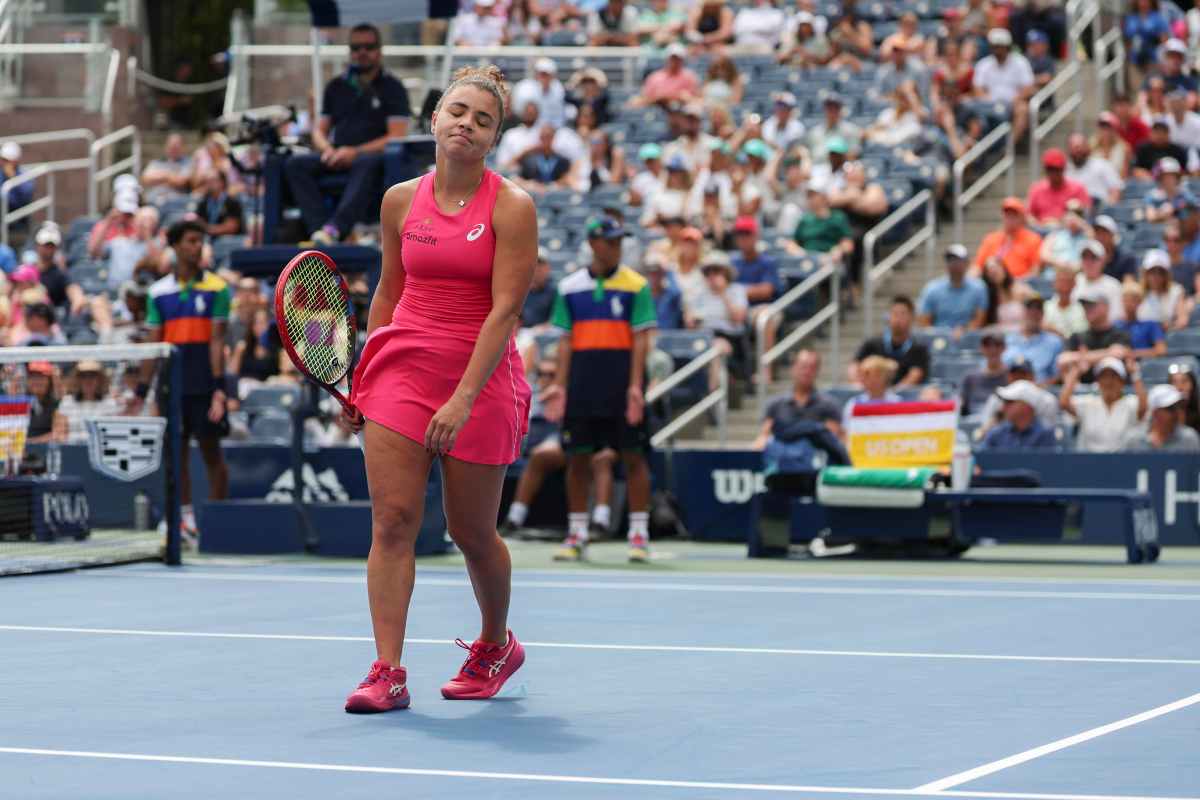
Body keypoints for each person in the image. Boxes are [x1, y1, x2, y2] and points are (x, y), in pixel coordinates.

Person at [341, 66, 536, 713]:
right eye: (457, 111)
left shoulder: (512, 207)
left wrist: (462, 398)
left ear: (494, 137)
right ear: (434, 118)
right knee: (393, 520)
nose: (466, 125)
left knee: (471, 532)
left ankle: (496, 644)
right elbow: (389, 292)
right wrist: (364, 374)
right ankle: (387, 671)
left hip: (480, 376)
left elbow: (505, 311)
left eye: (483, 120)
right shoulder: (399, 200)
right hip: (401, 368)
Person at [543, 216, 656, 564]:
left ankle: (638, 535)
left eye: (620, 241)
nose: (617, 247)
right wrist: (560, 385)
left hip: (622, 385)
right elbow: (565, 341)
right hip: (582, 385)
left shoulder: (637, 285)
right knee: (577, 458)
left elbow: (641, 339)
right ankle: (577, 534)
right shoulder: (569, 287)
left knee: (634, 457)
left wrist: (635, 386)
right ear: (593, 244)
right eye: (611, 241)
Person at [140, 219, 231, 547]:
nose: (197, 247)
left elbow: (217, 341)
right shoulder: (157, 293)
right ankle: (185, 520)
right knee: (176, 456)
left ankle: (217, 521)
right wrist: (143, 389)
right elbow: (154, 344)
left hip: (204, 385)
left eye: (200, 241)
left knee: (212, 454)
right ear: (176, 245)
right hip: (172, 386)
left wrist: (219, 389)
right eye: (191, 241)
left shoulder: (218, 288)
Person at [284, 23, 412, 244]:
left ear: (379, 50)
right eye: (355, 47)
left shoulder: (393, 88)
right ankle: (319, 231)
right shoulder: (336, 86)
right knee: (295, 164)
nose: (362, 52)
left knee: (366, 162)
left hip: (373, 158)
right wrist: (327, 149)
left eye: (368, 47)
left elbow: (396, 136)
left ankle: (336, 229)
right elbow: (319, 130)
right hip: (337, 154)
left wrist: (355, 152)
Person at [753, 349, 843, 449]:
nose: (807, 372)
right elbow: (764, 437)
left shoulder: (829, 405)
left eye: (812, 367)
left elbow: (833, 439)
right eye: (803, 366)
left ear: (817, 371)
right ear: (793, 368)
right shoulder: (775, 404)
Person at [1060, 355, 1147, 453]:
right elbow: (1064, 403)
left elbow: (1143, 409)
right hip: (1089, 459)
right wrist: (1076, 371)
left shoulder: (1131, 403)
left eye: (1113, 376)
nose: (1108, 381)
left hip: (1121, 460)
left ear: (1122, 381)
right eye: (1104, 377)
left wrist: (1135, 374)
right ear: (1098, 381)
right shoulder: (1088, 403)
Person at [850, 296, 929, 388]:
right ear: (888, 317)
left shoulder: (919, 348)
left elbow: (915, 375)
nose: (898, 319)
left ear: (911, 318)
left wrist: (892, 394)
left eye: (903, 314)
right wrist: (859, 384)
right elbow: (854, 365)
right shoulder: (872, 344)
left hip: (903, 395)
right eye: (895, 314)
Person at [1057, 287, 1132, 382]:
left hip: (1112, 389)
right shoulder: (1077, 336)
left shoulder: (1120, 335)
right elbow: (1063, 360)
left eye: (1092, 305)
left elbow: (1118, 354)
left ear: (1106, 307)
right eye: (1084, 306)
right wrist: (1107, 353)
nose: (1087, 309)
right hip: (1081, 389)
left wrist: (1082, 358)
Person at [972, 28, 1034, 142]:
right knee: (970, 108)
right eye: (995, 47)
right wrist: (989, 101)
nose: (997, 50)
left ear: (1007, 47)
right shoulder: (983, 64)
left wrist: (1015, 99)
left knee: (1022, 109)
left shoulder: (1020, 62)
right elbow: (977, 89)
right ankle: (977, 144)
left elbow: (1028, 88)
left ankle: (1009, 146)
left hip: (1013, 103)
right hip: (989, 104)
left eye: (1000, 46)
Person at [917, 244, 988, 333]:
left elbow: (979, 320)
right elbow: (924, 322)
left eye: (958, 260)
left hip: (969, 338)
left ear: (967, 263)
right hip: (938, 338)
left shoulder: (979, 287)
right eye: (950, 260)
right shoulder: (932, 289)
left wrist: (964, 331)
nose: (953, 263)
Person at [974, 197, 1043, 280]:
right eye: (1007, 214)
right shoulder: (991, 239)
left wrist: (1012, 283)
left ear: (1022, 217)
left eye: (1014, 214)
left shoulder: (1033, 239)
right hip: (991, 283)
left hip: (1021, 283)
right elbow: (977, 267)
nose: (1010, 217)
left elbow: (1035, 272)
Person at [55, 360, 123, 444]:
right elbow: (60, 433)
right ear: (78, 380)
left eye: (92, 376)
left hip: (99, 448)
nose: (88, 380)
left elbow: (113, 433)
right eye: (83, 376)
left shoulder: (109, 403)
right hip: (72, 447)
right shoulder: (67, 402)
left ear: (100, 380)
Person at [979, 380, 1058, 450]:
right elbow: (981, 459)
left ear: (1027, 406)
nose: (1002, 408)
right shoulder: (996, 433)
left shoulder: (1045, 435)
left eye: (1009, 402)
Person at [1121, 384, 1200, 452]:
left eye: (1178, 407)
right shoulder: (1134, 439)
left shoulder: (1189, 439)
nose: (1176, 413)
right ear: (1155, 412)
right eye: (1170, 409)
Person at [1005, 295, 1063, 385]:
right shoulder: (1008, 339)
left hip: (1038, 389)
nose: (1034, 312)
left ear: (1043, 314)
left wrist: (1039, 387)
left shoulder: (1054, 342)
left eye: (1038, 309)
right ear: (1023, 312)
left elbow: (1058, 375)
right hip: (1007, 389)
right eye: (1030, 308)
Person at [1026, 148, 1092, 225]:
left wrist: (1065, 220)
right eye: (1050, 169)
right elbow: (1028, 214)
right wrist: (1038, 223)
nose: (1053, 173)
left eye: (1057, 169)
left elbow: (1086, 213)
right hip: (1041, 228)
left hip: (1067, 229)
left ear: (1063, 169)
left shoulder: (1077, 189)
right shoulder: (1037, 189)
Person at [629, 44, 699, 108]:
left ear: (682, 60)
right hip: (656, 109)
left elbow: (697, 99)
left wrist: (685, 98)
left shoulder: (689, 77)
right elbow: (644, 98)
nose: (674, 62)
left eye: (677, 59)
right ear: (666, 59)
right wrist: (658, 98)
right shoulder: (654, 77)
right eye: (672, 58)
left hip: (681, 111)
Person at [1065, 133, 1124, 207]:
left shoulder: (1102, 165)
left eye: (1081, 147)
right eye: (1075, 148)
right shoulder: (1064, 171)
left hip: (1101, 208)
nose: (1078, 151)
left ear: (1087, 147)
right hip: (1074, 209)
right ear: (1068, 150)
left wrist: (1110, 207)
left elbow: (1116, 189)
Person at [843, 355, 903, 429]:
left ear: (883, 376)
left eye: (868, 374)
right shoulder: (853, 404)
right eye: (862, 374)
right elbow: (847, 430)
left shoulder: (897, 402)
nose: (863, 378)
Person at [960, 329, 1009, 416]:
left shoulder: (1011, 376)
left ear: (1004, 348)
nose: (993, 349)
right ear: (981, 348)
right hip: (973, 421)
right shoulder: (970, 378)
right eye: (987, 345)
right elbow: (962, 406)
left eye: (997, 345)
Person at [1073, 239, 1124, 323]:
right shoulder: (1073, 282)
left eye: (1093, 258)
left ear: (1103, 260)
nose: (1089, 262)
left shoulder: (1113, 285)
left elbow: (1117, 317)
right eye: (1084, 257)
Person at [1137, 249, 1188, 331]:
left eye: (1161, 272)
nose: (1156, 276)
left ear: (1167, 275)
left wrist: (1169, 327)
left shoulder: (1176, 291)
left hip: (1168, 335)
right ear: (1145, 273)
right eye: (1152, 272)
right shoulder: (1137, 291)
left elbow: (1182, 321)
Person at [511, 58, 567, 129]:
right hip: (528, 128)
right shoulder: (524, 87)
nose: (544, 77)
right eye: (542, 74)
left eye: (547, 74)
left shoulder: (558, 88)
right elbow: (518, 112)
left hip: (553, 129)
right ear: (536, 73)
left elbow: (559, 114)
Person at [141, 133, 193, 206]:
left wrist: (159, 177)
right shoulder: (156, 162)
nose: (173, 149)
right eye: (171, 146)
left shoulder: (188, 163)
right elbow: (145, 179)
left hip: (176, 203)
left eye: (176, 146)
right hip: (153, 201)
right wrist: (169, 176)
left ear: (182, 147)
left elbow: (181, 181)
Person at [192, 170, 244, 238]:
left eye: (213, 180)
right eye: (207, 181)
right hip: (206, 240)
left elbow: (231, 228)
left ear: (222, 182)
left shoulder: (232, 202)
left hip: (227, 241)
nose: (209, 183)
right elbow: (198, 223)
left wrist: (208, 229)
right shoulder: (203, 203)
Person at [1042, 264, 1087, 339]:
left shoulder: (1081, 310)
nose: (1064, 286)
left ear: (1074, 284)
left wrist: (1056, 332)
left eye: (1068, 281)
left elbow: (1078, 338)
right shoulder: (1045, 307)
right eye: (1060, 281)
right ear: (1054, 284)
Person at [0, 141, 32, 218]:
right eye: (2, 159)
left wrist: (13, 177)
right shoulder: (1, 173)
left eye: (6, 160)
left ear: (15, 161)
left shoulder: (24, 175)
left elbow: (25, 197)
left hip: (17, 217)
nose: (2, 162)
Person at [1167, 362, 1200, 435]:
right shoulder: (1161, 411)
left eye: (1184, 381)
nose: (1180, 387)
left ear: (1193, 384)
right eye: (1174, 382)